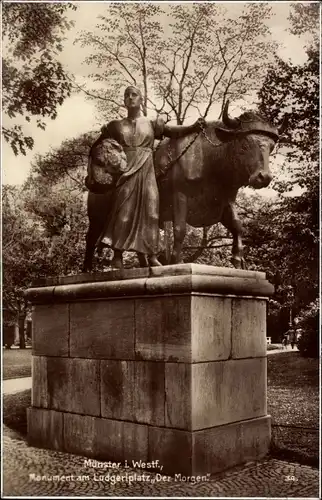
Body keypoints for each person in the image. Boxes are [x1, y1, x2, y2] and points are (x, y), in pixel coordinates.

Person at [96, 85, 205, 269]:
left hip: (147, 172)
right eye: (127, 95)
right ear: (124, 100)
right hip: (126, 171)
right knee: (123, 212)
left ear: (141, 99)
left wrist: (193, 127)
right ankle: (117, 255)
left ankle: (152, 254)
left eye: (134, 95)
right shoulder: (115, 126)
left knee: (152, 212)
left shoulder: (151, 124)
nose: (130, 98)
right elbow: (100, 147)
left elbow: (173, 131)